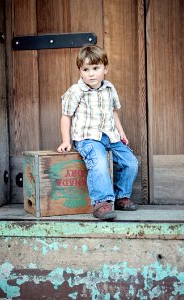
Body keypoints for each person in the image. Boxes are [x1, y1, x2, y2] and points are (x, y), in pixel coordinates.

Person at [57, 45, 138, 220]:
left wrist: (121, 133)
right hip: (88, 139)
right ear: (80, 71)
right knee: (99, 163)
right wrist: (66, 140)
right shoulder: (76, 91)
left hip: (110, 135)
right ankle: (101, 203)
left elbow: (113, 112)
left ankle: (121, 196)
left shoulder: (109, 88)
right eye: (86, 69)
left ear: (105, 69)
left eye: (96, 68)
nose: (91, 74)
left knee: (130, 162)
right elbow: (66, 116)